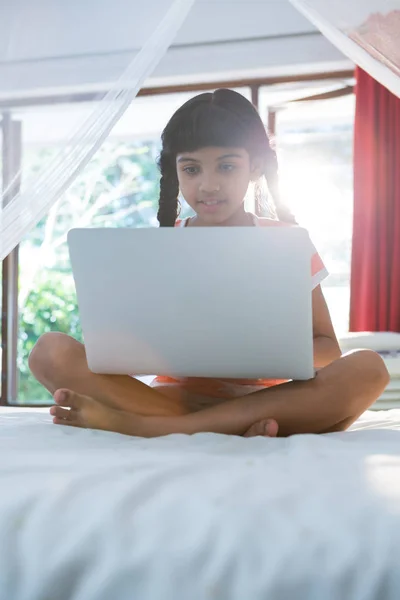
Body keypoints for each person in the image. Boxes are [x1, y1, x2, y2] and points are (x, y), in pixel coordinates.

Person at [29, 88, 389, 438]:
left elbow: (328, 348)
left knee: (368, 367)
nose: (209, 184)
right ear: (175, 173)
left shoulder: (288, 243)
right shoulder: (155, 247)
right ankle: (210, 425)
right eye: (192, 169)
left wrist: (256, 351)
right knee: (50, 351)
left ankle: (156, 427)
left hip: (267, 400)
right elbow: (128, 344)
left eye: (226, 166)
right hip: (168, 397)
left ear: (255, 166)